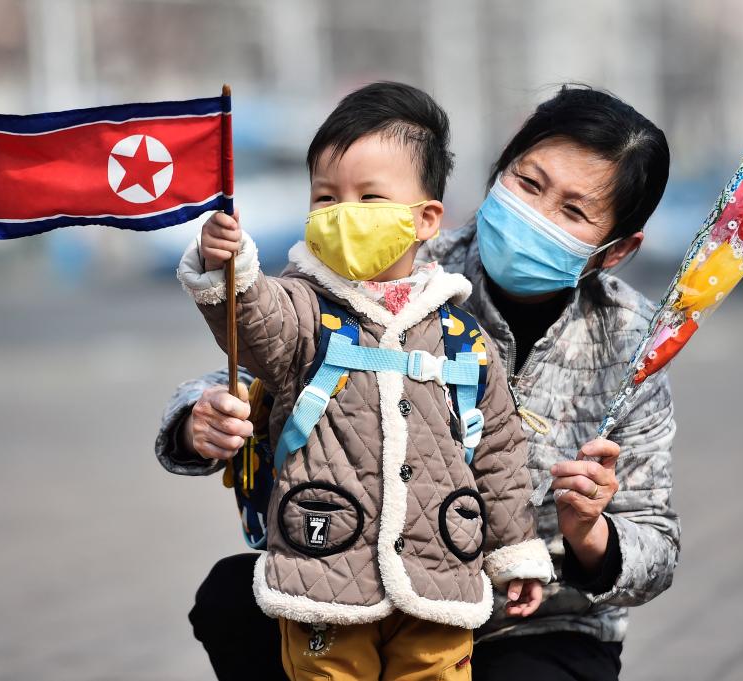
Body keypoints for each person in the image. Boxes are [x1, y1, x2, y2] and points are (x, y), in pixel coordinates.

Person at [159, 84, 678, 681]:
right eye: (529, 184)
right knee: (233, 598)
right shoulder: (396, 262)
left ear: (616, 250)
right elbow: (269, 350)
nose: (536, 214)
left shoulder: (632, 341)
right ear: (496, 176)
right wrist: (198, 418)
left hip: (532, 619)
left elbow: (656, 545)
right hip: (357, 580)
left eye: (573, 211)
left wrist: (590, 536)